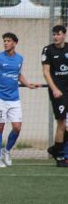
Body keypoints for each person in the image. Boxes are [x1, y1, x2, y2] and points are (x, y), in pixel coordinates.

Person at [0, 32, 38, 168]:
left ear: (15, 43)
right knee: (0, 126)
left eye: (8, 41)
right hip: (0, 99)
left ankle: (6, 151)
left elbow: (18, 75)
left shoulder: (20, 59)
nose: (5, 43)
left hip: (14, 99)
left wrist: (28, 84)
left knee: (17, 128)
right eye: (4, 41)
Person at [42, 25, 68, 167]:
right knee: (62, 123)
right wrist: (54, 89)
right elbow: (46, 72)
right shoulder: (48, 50)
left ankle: (56, 150)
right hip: (58, 92)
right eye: (54, 35)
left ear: (64, 34)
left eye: (58, 34)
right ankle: (59, 155)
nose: (56, 37)